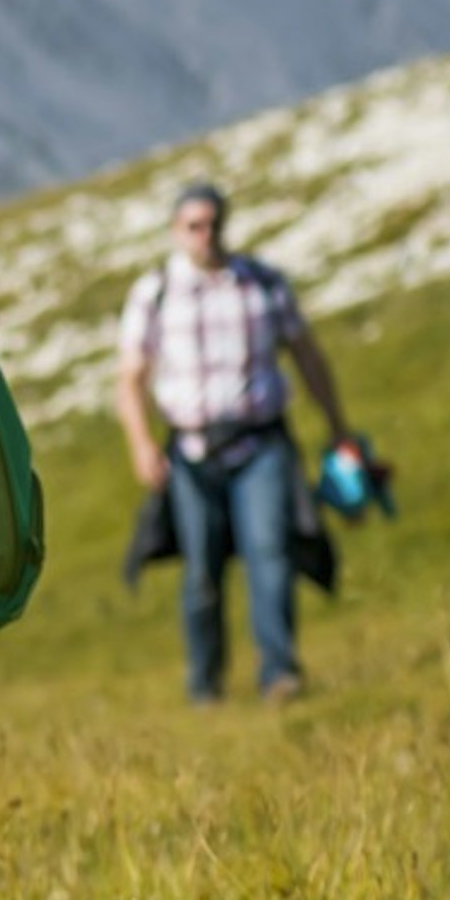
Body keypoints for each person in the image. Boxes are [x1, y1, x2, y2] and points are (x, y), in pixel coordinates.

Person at [111, 182, 350, 704]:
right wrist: (141, 444)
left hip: (260, 443)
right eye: (194, 225)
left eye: (213, 223)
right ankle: (205, 684)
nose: (205, 235)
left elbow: (307, 355)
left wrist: (337, 426)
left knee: (270, 553)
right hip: (192, 453)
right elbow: (131, 377)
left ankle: (280, 673)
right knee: (202, 570)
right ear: (176, 231)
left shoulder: (262, 285)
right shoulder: (154, 293)